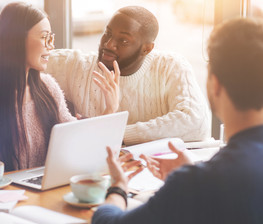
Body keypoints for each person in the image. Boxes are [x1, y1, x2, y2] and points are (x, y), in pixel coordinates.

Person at [0, 6, 210, 145]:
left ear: (147, 49)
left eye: (123, 40)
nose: (109, 44)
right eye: (107, 33)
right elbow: (10, 52)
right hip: (106, 169)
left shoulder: (170, 65)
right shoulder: (78, 65)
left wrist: (116, 132)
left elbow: (193, 122)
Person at [0, 2, 119, 187]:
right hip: (0, 201)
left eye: (51, 37)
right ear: (16, 41)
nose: (51, 45)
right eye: (45, 37)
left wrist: (109, 110)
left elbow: (76, 142)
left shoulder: (48, 88)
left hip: (44, 193)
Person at [92, 17, 263, 224]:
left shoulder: (196, 183)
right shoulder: (205, 179)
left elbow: (107, 221)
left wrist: (118, 186)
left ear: (215, 85)